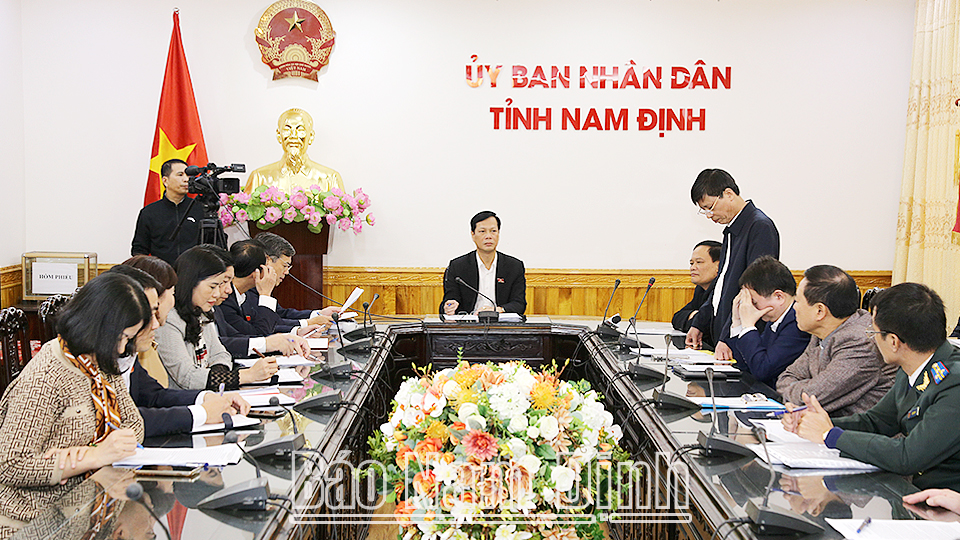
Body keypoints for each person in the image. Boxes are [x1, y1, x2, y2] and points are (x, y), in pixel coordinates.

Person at [0, 273, 145, 527]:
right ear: (97, 325)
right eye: (121, 337)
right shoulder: (46, 376)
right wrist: (93, 456)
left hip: (85, 509)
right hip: (32, 521)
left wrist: (91, 451)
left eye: (128, 339)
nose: (122, 349)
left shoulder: (100, 362)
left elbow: (134, 424)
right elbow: (11, 464)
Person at [784, 283, 960, 491]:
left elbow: (908, 456)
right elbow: (877, 421)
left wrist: (830, 436)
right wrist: (815, 422)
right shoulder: (911, 366)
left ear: (893, 342)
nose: (872, 340)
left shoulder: (953, 383)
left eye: (873, 332)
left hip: (943, 502)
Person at [108, 262, 251, 437]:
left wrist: (207, 398)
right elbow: (125, 419)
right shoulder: (96, 358)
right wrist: (202, 413)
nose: (155, 324)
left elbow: (154, 396)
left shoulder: (127, 350)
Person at [685, 169, 779, 360]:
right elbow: (721, 286)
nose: (709, 215)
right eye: (704, 210)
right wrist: (699, 323)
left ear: (728, 194)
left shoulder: (759, 227)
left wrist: (729, 335)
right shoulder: (732, 230)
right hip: (725, 334)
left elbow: (753, 290)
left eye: (710, 207)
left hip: (741, 338)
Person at [777, 265, 896, 415]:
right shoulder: (822, 331)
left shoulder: (861, 343)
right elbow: (786, 378)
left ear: (820, 311)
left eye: (798, 301)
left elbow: (810, 398)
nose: (795, 307)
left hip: (851, 427)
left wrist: (802, 390)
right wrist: (807, 388)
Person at [155, 246, 278, 391]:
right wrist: (246, 376)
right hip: (185, 400)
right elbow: (187, 377)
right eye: (213, 286)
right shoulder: (169, 319)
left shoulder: (202, 311)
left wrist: (218, 376)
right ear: (190, 282)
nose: (217, 293)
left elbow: (220, 354)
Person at [210, 241, 311, 358]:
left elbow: (252, 335)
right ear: (256, 273)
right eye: (267, 268)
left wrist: (290, 335)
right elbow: (260, 333)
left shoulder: (245, 295)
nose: (271, 272)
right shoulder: (223, 300)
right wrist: (265, 294)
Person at [726, 256, 810, 387]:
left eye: (754, 302)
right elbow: (744, 365)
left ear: (779, 297)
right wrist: (737, 322)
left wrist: (748, 326)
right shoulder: (774, 319)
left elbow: (762, 370)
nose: (750, 307)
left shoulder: (796, 323)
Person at [440, 211, 526, 316]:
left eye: (493, 231)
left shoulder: (514, 266)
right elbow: (449, 300)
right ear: (473, 235)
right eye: (482, 231)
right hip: (469, 323)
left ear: (498, 233)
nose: (488, 236)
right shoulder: (457, 266)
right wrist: (449, 306)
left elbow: (519, 304)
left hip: (501, 322)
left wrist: (497, 310)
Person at [251, 232, 338, 332]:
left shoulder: (262, 286)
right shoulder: (248, 288)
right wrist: (307, 323)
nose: (286, 272)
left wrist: (319, 314)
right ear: (267, 261)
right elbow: (268, 325)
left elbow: (280, 313)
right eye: (284, 266)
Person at [244, 108, 345, 194]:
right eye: (287, 129)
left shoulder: (330, 178)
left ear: (311, 136)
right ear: (279, 135)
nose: (293, 135)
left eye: (300, 130)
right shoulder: (259, 177)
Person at [131, 158, 204, 267]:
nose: (186, 179)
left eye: (188, 175)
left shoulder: (200, 208)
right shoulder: (149, 212)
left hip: (195, 272)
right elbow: (139, 250)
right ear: (165, 181)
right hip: (161, 273)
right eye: (180, 175)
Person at [672, 240, 721, 336]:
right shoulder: (701, 289)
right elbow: (677, 318)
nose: (692, 268)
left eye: (699, 262)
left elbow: (707, 327)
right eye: (691, 263)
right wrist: (695, 315)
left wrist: (696, 317)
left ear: (719, 266)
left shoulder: (724, 291)